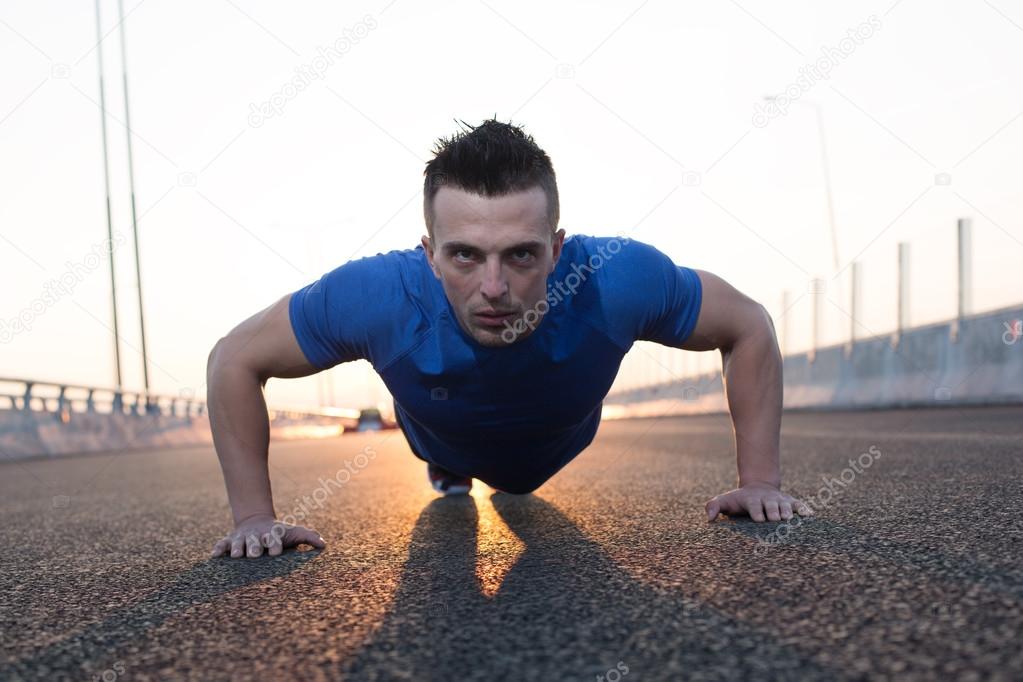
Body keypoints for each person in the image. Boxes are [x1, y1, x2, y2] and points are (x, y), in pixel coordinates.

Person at [208, 118, 812, 560]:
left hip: (555, 441)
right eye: (465, 256)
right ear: (430, 255)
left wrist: (760, 481)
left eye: (520, 255)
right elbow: (232, 359)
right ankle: (450, 469)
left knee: (517, 483)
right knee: (446, 455)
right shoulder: (375, 296)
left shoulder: (617, 280)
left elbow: (748, 324)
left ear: (556, 249)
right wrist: (254, 518)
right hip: (438, 430)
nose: (493, 287)